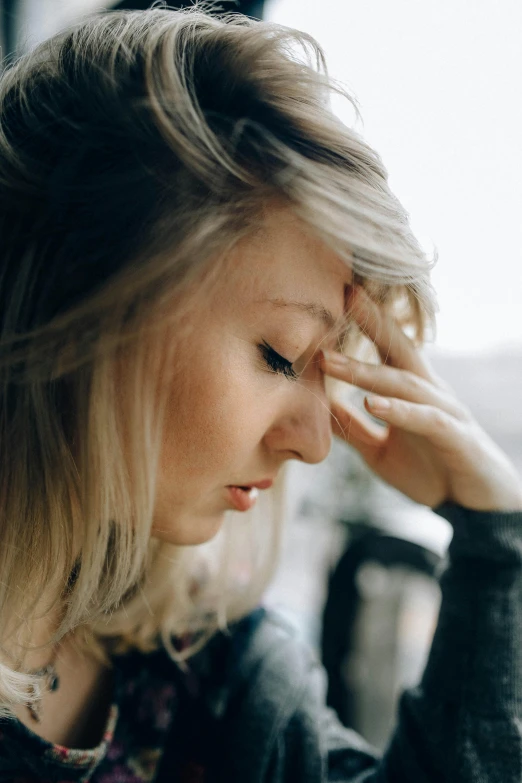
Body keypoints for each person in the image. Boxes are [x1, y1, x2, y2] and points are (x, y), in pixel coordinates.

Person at [0, 6, 521, 782]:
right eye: (280, 355)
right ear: (88, 305)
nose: (316, 442)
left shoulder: (209, 665)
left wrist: (492, 535)